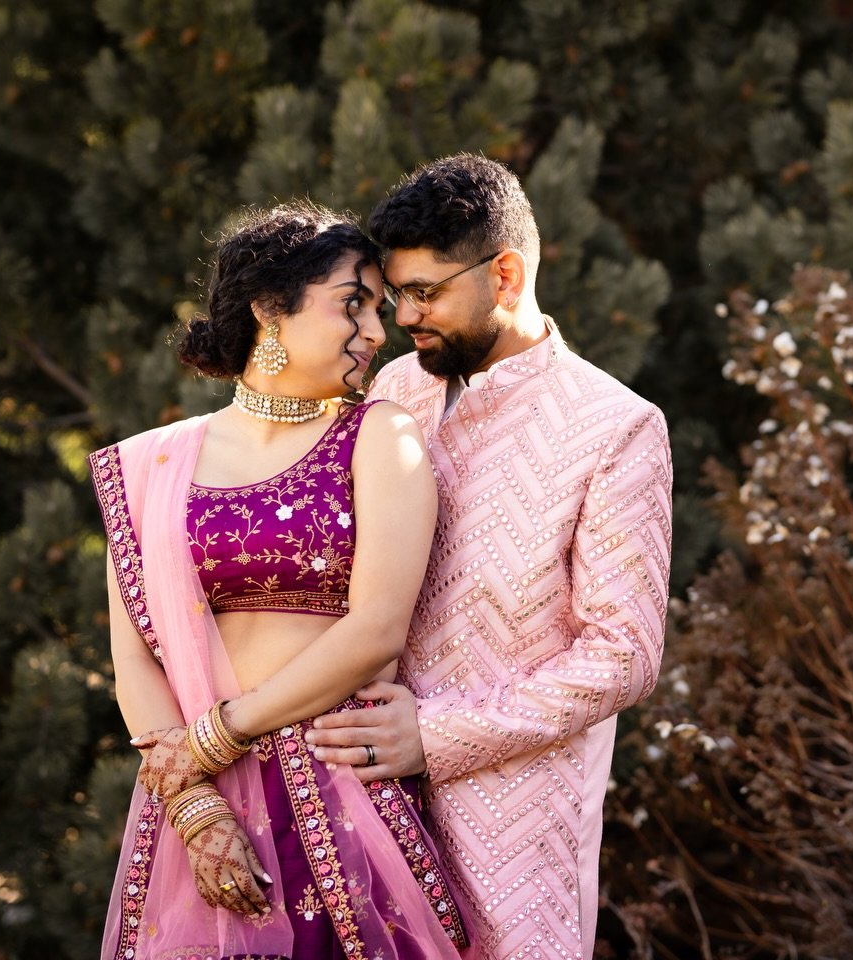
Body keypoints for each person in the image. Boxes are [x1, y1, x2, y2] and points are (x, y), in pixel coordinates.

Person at [304, 154, 674, 959]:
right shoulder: (394, 390)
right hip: (363, 803)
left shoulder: (615, 426)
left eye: (427, 292)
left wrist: (436, 736)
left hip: (518, 826)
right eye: (396, 292)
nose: (403, 314)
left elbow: (624, 656)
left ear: (504, 273)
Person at [89, 202, 468, 959]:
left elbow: (375, 631)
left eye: (378, 310)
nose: (375, 332)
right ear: (269, 308)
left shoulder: (376, 437)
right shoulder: (151, 463)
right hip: (195, 809)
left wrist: (215, 736)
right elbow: (134, 654)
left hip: (338, 793)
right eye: (352, 305)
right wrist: (196, 805)